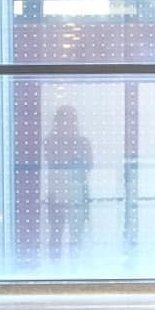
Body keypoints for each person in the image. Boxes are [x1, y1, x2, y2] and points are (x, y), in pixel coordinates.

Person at [42, 105, 94, 264]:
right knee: (56, 233)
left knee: (75, 233)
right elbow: (52, 160)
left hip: (77, 192)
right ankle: (56, 268)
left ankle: (74, 267)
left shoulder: (82, 142)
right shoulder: (50, 142)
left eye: (71, 120)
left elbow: (89, 165)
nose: (68, 123)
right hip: (57, 193)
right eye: (65, 120)